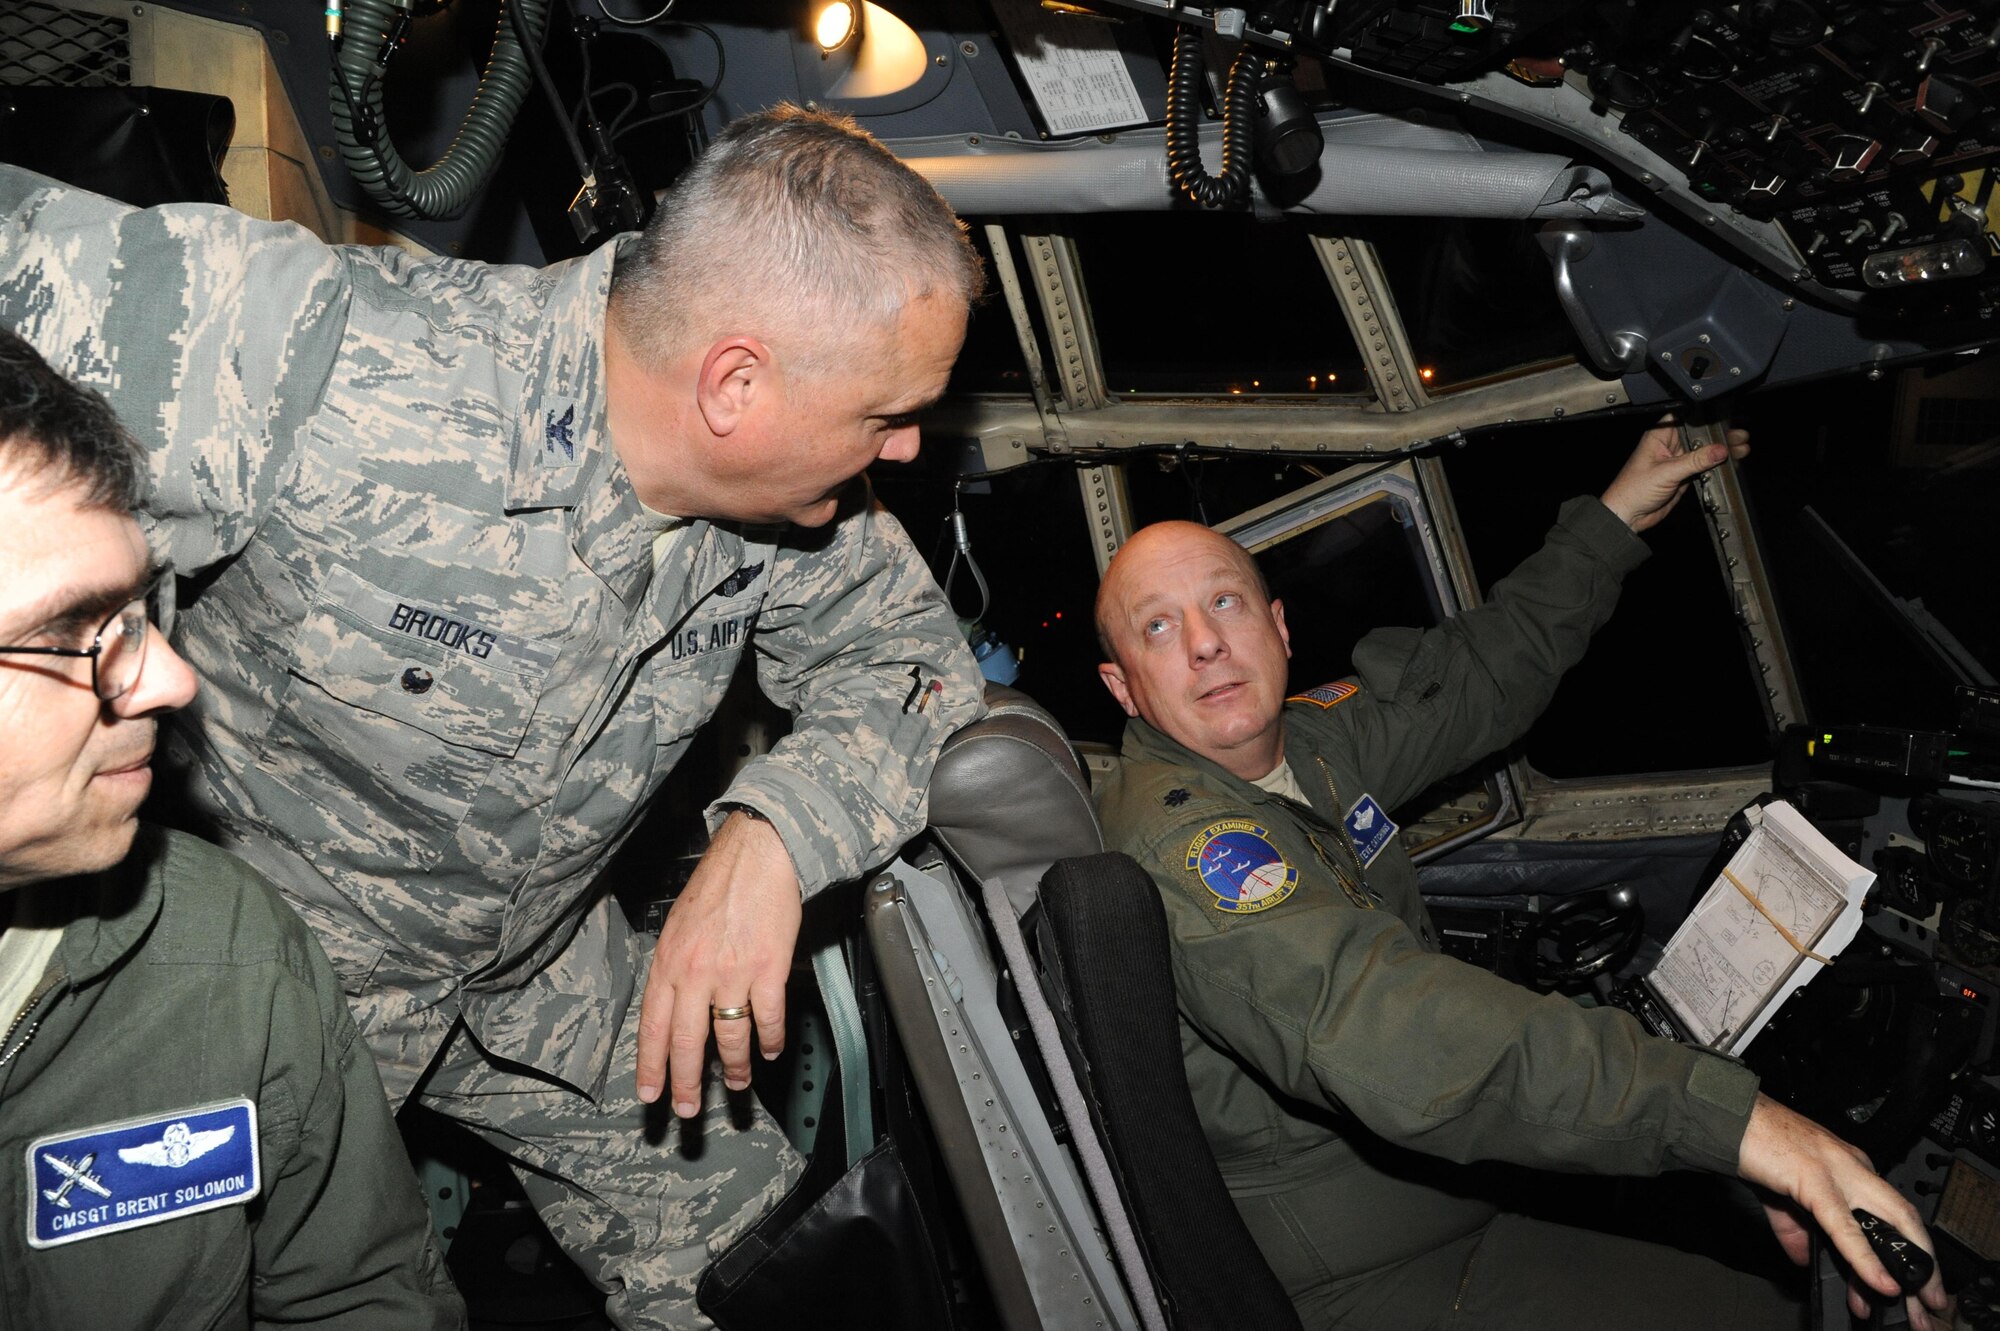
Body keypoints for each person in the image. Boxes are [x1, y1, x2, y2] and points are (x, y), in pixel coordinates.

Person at [0, 105, 985, 1327]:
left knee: (792, 1276)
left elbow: (917, 667)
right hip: (267, 989)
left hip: (529, 970)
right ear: (736, 383)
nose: (900, 451)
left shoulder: (797, 519)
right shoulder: (314, 352)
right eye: (885, 413)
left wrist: (771, 841)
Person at [1092, 423, 1953, 1331]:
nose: (1204, 644)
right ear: (1122, 688)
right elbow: (1387, 1031)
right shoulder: (1185, 840)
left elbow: (1474, 676)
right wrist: (1735, 1124)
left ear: (1278, 627)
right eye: (1159, 626)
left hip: (1445, 1192)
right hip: (1362, 1268)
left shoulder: (1305, 743)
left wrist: (1621, 511)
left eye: (1225, 604)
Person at [0, 329, 463, 1328]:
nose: (171, 677)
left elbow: (360, 1298)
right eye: (70, 632)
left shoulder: (218, 953)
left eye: (136, 612)